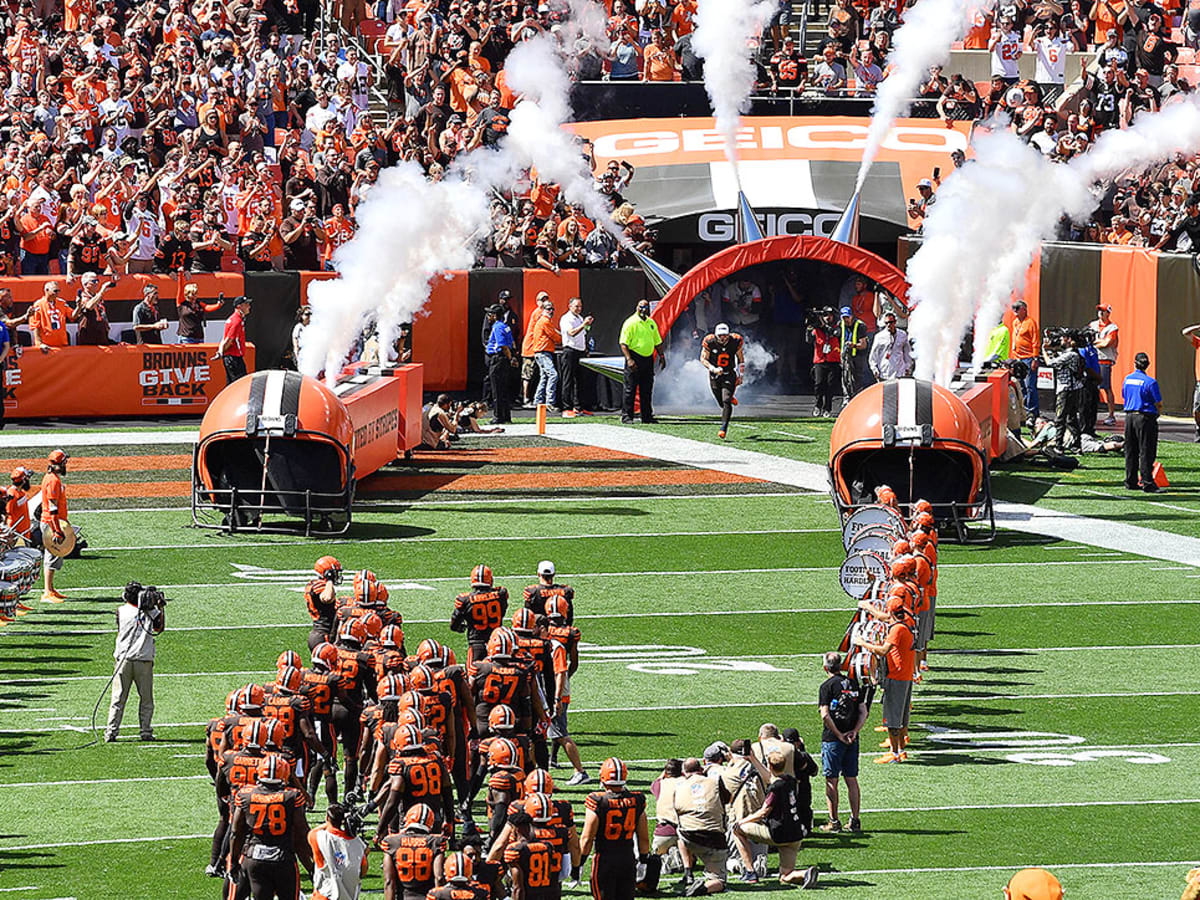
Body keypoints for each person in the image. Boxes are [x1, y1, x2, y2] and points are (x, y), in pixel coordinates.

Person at [730, 751, 819, 889]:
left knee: (737, 831)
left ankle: (750, 872)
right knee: (785, 877)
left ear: (770, 765)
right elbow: (769, 778)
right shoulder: (790, 780)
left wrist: (742, 821)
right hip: (796, 834)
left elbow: (763, 812)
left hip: (779, 834)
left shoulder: (774, 788)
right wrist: (753, 758)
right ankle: (805, 874)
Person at [229, 756, 314, 899]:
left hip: (255, 857)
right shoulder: (292, 796)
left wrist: (233, 861)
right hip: (283, 858)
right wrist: (312, 864)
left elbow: (236, 832)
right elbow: (302, 833)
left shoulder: (245, 795)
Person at [854, 597, 916, 763]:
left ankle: (894, 753)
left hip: (897, 676)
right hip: (906, 674)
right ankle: (901, 750)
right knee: (903, 717)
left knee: (892, 719)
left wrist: (863, 643)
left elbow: (882, 651)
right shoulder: (907, 620)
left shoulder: (897, 630)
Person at [580, 757, 649, 900]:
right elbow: (643, 837)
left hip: (605, 860)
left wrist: (579, 864)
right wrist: (643, 860)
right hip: (627, 859)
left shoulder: (597, 801)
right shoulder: (637, 800)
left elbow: (587, 838)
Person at [104, 580, 165, 742]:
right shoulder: (151, 613)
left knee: (118, 698)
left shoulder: (120, 611)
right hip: (143, 660)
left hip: (123, 660)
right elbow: (159, 628)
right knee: (146, 699)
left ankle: (111, 731)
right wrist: (159, 608)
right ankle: (145, 731)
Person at [817, 651, 866, 834]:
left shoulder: (826, 686)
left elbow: (825, 714)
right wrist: (854, 731)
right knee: (851, 779)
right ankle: (855, 820)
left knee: (832, 780)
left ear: (825, 667)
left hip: (833, 739)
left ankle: (834, 821)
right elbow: (863, 711)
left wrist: (838, 734)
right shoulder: (853, 683)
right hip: (852, 739)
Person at [671, 757, 729, 896]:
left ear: (684, 773)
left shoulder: (679, 787)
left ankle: (688, 870)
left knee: (681, 830)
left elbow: (676, 809)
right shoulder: (715, 782)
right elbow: (727, 799)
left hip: (688, 837)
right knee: (719, 881)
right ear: (701, 770)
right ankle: (703, 888)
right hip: (714, 837)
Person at [619, 299, 665, 425]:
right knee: (630, 389)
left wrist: (661, 355)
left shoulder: (651, 323)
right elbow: (623, 343)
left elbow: (657, 341)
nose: (643, 309)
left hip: (648, 358)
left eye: (645, 307)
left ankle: (647, 416)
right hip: (634, 357)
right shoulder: (631, 322)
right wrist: (629, 359)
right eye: (641, 307)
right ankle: (627, 416)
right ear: (637, 307)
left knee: (647, 388)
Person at [309, 803, 368, 900]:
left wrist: (332, 822)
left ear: (327, 818)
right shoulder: (358, 844)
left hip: (324, 895)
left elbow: (312, 833)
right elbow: (363, 870)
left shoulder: (319, 837)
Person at [1121, 352, 1162, 492]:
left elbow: (1124, 395)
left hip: (1129, 416)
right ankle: (1147, 482)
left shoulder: (1127, 379)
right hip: (1145, 417)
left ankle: (1130, 481)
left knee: (1131, 450)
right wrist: (1157, 414)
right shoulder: (1151, 382)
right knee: (1146, 450)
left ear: (1135, 363)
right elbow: (1158, 403)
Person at [700, 323, 743, 439]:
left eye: (725, 335)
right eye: (720, 335)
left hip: (729, 374)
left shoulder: (735, 340)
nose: (723, 338)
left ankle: (723, 428)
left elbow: (740, 359)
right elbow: (703, 359)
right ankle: (729, 396)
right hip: (715, 375)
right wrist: (713, 368)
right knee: (720, 402)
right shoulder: (709, 342)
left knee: (726, 401)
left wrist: (741, 375)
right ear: (716, 335)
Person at [1042, 331, 1083, 453]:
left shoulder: (1071, 355)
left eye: (1063, 338)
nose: (1060, 340)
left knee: (1060, 418)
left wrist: (1044, 350)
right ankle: (1076, 445)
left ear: (1069, 340)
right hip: (1072, 390)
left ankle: (1058, 446)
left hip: (1066, 390)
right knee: (1071, 419)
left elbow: (1050, 363)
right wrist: (1053, 349)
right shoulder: (1071, 354)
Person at [40, 449, 70, 603]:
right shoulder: (53, 481)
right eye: (64, 462)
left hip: (55, 522)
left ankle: (50, 589)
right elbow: (52, 507)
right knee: (51, 555)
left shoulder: (52, 478)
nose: (66, 465)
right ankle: (46, 592)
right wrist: (57, 530)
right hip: (51, 523)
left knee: (54, 555)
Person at [559, 297, 593, 417]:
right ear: (570, 306)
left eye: (580, 306)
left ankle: (578, 407)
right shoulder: (566, 318)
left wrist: (586, 325)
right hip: (570, 350)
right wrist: (583, 324)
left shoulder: (579, 318)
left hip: (580, 351)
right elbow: (572, 333)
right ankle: (566, 407)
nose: (579, 309)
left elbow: (583, 334)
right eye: (576, 306)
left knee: (581, 381)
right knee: (568, 379)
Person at [485, 305, 517, 425]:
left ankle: (498, 416)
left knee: (497, 390)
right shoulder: (506, 326)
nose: (488, 317)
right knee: (504, 389)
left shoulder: (497, 327)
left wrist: (510, 358)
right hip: (504, 360)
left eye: (490, 314)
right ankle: (506, 416)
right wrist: (512, 357)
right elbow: (512, 343)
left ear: (495, 315)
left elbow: (503, 345)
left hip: (498, 359)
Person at [1010, 300, 1041, 425]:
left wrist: (1035, 358)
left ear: (1024, 309)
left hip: (1028, 358)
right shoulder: (1015, 323)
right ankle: (1024, 413)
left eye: (1017, 308)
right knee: (1021, 386)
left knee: (1030, 387)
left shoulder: (1030, 322)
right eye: (1014, 308)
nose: (1015, 311)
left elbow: (1035, 341)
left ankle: (1032, 413)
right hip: (1018, 358)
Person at [529, 298, 562, 410]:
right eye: (548, 309)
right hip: (543, 352)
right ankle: (549, 402)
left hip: (541, 352)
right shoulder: (545, 321)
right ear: (543, 310)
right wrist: (565, 339)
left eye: (552, 309)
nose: (551, 311)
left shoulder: (544, 321)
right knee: (553, 375)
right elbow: (555, 336)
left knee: (544, 377)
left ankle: (538, 401)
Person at [808, 307, 840, 417]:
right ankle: (818, 405)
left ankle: (828, 408)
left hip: (833, 360)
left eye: (830, 315)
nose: (828, 317)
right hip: (820, 360)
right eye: (825, 315)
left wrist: (824, 326)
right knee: (819, 384)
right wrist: (809, 329)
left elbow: (835, 333)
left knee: (830, 385)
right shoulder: (816, 329)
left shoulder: (837, 327)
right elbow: (809, 340)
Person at [1090, 305, 1119, 426]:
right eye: (1099, 311)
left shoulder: (1112, 327)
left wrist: (1095, 343)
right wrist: (1099, 342)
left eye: (1103, 311)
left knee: (1106, 388)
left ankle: (1111, 415)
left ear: (1108, 313)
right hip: (1093, 359)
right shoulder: (1093, 325)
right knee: (1091, 389)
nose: (1100, 313)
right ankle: (1091, 414)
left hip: (1105, 360)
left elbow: (1107, 343)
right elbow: (1088, 340)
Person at [216, 297, 253, 384]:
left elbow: (224, 339)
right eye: (246, 304)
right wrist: (222, 352)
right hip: (234, 358)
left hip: (231, 358)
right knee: (239, 385)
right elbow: (229, 340)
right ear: (239, 307)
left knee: (231, 386)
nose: (249, 306)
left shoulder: (233, 319)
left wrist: (221, 352)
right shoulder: (237, 321)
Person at [28, 281, 73, 352]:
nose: (57, 293)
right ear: (46, 290)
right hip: (46, 346)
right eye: (55, 291)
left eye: (59, 291)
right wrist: (39, 344)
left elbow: (72, 316)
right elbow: (35, 326)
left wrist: (79, 307)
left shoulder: (62, 303)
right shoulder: (38, 305)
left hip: (62, 344)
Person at [837, 306, 870, 403]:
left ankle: (857, 397)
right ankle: (846, 397)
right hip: (845, 356)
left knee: (857, 377)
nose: (846, 320)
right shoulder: (840, 325)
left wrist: (853, 345)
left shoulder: (860, 326)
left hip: (858, 355)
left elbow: (863, 345)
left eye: (847, 317)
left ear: (851, 316)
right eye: (843, 317)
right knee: (845, 376)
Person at [868, 312, 914, 381]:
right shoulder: (879, 337)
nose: (889, 325)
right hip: (885, 372)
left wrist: (907, 367)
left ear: (895, 322)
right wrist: (874, 369)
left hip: (900, 372)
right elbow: (873, 355)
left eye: (891, 322)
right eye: (886, 323)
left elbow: (907, 352)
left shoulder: (902, 335)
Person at [1180, 322, 1200, 441]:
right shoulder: (1198, 343)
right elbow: (1185, 332)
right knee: (1196, 408)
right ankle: (1198, 428)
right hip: (1199, 382)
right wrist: (1198, 327)